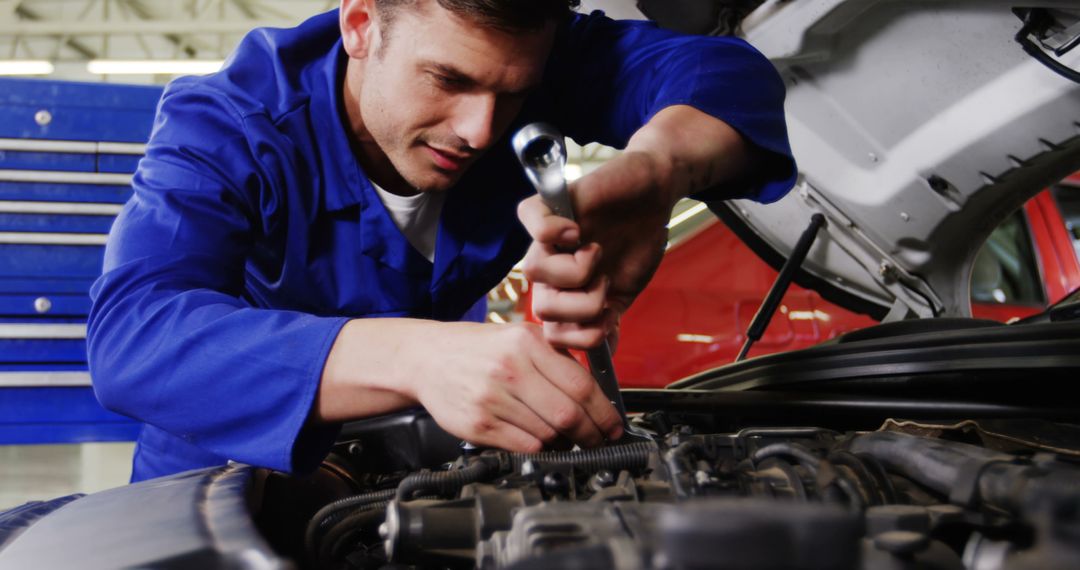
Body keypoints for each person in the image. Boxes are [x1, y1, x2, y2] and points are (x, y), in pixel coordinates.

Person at [87, 0, 796, 482]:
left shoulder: (531, 56)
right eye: (448, 79)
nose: (481, 130)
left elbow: (728, 73)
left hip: (407, 460)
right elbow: (133, 338)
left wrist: (658, 167)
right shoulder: (228, 122)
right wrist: (416, 354)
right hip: (223, 474)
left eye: (513, 93)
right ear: (362, 25)